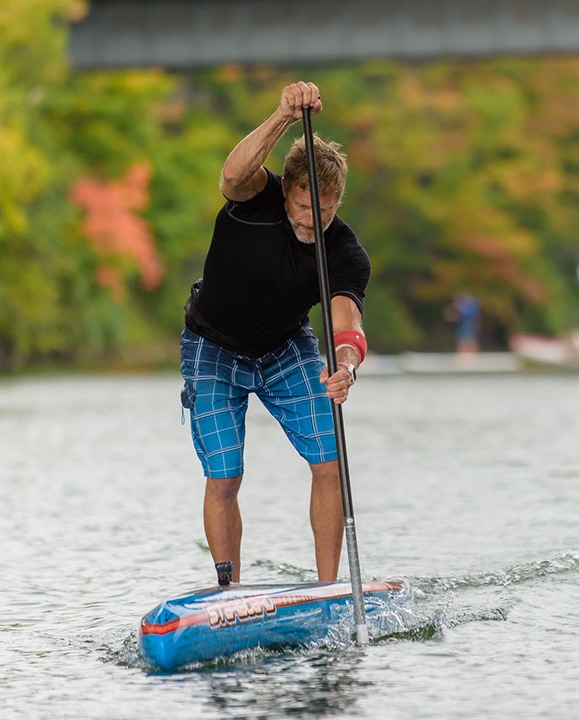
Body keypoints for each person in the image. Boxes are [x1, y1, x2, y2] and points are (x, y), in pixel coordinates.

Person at [179, 81, 370, 586]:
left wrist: (346, 365)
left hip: (285, 348)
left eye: (325, 211)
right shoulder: (254, 196)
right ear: (286, 190)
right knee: (225, 473)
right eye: (305, 208)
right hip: (211, 346)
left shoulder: (344, 251)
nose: (314, 221)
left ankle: (329, 588)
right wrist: (284, 115)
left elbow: (345, 318)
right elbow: (231, 174)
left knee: (330, 460)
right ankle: (228, 591)